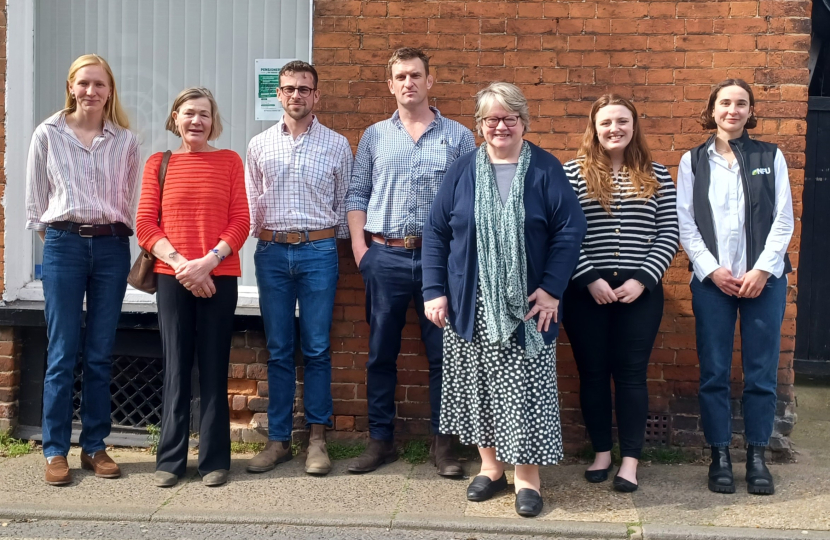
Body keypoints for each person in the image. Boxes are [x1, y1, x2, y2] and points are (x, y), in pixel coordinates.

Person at [422, 82, 587, 517]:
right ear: (479, 125)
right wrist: (434, 291)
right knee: (478, 387)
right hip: (469, 304)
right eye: (491, 118)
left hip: (530, 307)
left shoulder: (546, 169)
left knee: (527, 390)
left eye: (509, 118)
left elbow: (570, 232)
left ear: (524, 123)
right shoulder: (461, 171)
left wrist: (552, 289)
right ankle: (491, 467)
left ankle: (527, 478)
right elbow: (437, 233)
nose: (500, 126)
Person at [345, 47, 476, 476]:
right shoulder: (374, 136)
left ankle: (443, 447)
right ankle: (380, 441)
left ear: (429, 80)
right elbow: (356, 194)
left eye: (416, 75)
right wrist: (363, 251)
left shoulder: (456, 136)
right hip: (385, 256)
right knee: (381, 353)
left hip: (439, 263)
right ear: (390, 84)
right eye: (400, 76)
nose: (408, 83)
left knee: (444, 356)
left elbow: (469, 201)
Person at [25, 54, 140, 486]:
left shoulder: (125, 141)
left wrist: (106, 239)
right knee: (61, 352)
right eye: (85, 83)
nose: (92, 92)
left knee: (99, 353)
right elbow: (36, 205)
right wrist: (64, 242)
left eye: (101, 85)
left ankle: (95, 446)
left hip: (112, 246)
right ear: (71, 86)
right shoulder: (48, 134)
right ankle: (55, 450)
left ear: (111, 91)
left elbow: (128, 201)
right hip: (64, 245)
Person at [677, 79, 793, 495]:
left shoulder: (769, 155)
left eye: (741, 103)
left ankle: (758, 457)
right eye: (725, 102)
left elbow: (784, 220)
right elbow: (686, 223)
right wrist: (711, 270)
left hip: (765, 281)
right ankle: (720, 456)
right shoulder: (693, 161)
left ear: (750, 110)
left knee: (761, 373)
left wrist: (762, 270)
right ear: (712, 110)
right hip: (713, 285)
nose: (733, 109)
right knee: (714, 373)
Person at [562, 95, 679, 493]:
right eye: (607, 122)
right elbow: (562, 233)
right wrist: (588, 278)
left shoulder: (657, 174)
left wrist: (643, 279)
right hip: (586, 292)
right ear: (594, 127)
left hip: (639, 292)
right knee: (592, 374)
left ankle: (630, 461)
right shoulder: (572, 174)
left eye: (622, 121)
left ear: (634, 126)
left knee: (631, 376)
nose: (615, 129)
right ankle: (601, 453)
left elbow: (668, 233)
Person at [136, 87, 249, 488]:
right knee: (177, 368)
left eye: (204, 114)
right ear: (175, 118)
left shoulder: (230, 161)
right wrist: (185, 266)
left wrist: (208, 263)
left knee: (215, 367)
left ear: (212, 120)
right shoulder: (158, 164)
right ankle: (170, 460)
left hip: (219, 275)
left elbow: (240, 221)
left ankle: (215, 460)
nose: (196, 121)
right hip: (173, 278)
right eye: (189, 114)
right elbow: (146, 225)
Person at [244, 61, 353, 476]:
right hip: (271, 252)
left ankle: (317, 439)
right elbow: (252, 204)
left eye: (304, 89)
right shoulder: (258, 146)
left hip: (318, 251)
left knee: (318, 346)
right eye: (288, 88)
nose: (295, 95)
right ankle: (277, 440)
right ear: (278, 95)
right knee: (278, 349)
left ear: (316, 96)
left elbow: (344, 205)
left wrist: (329, 239)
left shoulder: (337, 145)